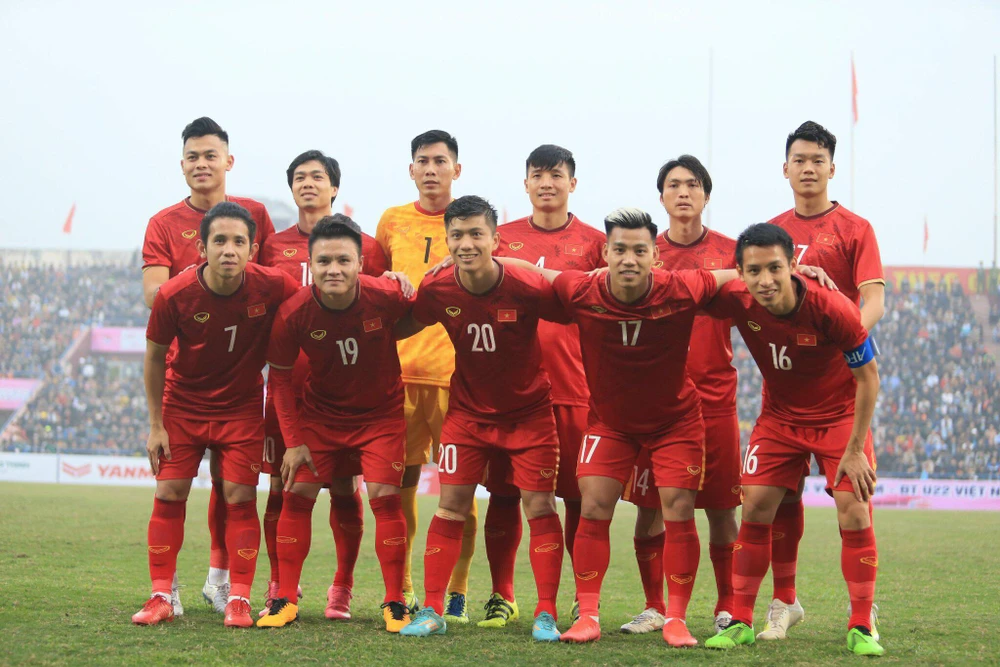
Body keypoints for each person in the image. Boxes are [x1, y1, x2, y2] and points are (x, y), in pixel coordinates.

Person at [494, 207, 740, 646]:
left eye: (640, 250)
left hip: (675, 423)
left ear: (655, 257)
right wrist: (475, 259)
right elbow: (532, 272)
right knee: (593, 506)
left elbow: (737, 275)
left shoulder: (681, 288)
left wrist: (797, 270)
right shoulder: (582, 288)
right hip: (610, 423)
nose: (629, 259)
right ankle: (588, 615)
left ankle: (676, 619)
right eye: (620, 249)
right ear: (605, 253)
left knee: (678, 511)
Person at [702, 223, 884, 657]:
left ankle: (861, 623)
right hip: (780, 418)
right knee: (755, 505)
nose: (765, 280)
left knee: (854, 510)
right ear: (741, 273)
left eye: (774, 269)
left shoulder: (832, 307)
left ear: (793, 266)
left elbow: (869, 378)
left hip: (838, 417)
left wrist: (855, 450)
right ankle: (741, 620)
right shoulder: (737, 297)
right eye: (753, 271)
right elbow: (688, 284)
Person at [399, 196, 566, 642]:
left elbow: (578, 306)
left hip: (530, 416)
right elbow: (403, 323)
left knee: (540, 507)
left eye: (476, 234)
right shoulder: (437, 287)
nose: (466, 243)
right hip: (467, 416)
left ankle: (545, 613)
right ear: (447, 240)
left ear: (496, 239)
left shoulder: (526, 283)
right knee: (450, 507)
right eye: (457, 235)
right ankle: (432, 610)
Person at [132, 202, 299, 628]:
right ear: (202, 248)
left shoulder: (273, 285)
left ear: (252, 249)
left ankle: (238, 598)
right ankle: (161, 595)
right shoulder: (174, 294)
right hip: (183, 405)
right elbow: (153, 358)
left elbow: (316, 301)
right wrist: (155, 425)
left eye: (239, 241)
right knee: (169, 492)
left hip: (241, 409)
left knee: (240, 498)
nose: (229, 249)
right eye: (219, 240)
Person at [140, 117, 275, 615]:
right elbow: (154, 296)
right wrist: (201, 288)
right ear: (182, 165)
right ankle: (164, 591)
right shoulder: (163, 223)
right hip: (186, 383)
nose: (202, 164)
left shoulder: (254, 213)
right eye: (193, 157)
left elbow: (276, 280)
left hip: (241, 388)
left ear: (228, 161)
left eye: (210, 155)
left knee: (234, 488)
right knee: (172, 488)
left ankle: (224, 583)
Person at [257, 216, 413, 632]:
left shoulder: (386, 296)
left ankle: (395, 602)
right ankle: (285, 599)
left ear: (361, 263)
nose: (334, 270)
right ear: (310, 264)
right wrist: (293, 442)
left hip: (380, 416)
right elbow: (280, 381)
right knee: (297, 492)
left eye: (344, 260)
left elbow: (428, 309)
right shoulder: (294, 313)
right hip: (321, 417)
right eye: (324, 261)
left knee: (385, 497)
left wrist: (410, 281)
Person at [764, 120, 885, 641]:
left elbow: (874, 299)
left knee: (852, 505)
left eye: (818, 160)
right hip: (785, 396)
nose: (808, 168)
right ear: (785, 168)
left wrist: (844, 332)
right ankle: (784, 603)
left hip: (839, 394)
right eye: (800, 159)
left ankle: (862, 617)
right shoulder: (770, 233)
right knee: (777, 500)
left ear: (832, 168)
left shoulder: (856, 229)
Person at [479, 144, 605, 628]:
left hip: (574, 386)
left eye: (556, 175)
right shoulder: (501, 240)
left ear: (573, 183)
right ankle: (502, 594)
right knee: (504, 494)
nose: (547, 183)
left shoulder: (595, 243)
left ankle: (581, 598)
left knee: (578, 497)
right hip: (508, 392)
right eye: (538, 174)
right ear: (526, 183)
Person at [618, 155, 741, 636]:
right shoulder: (645, 252)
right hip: (655, 404)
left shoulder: (731, 252)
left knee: (722, 508)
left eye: (693, 184)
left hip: (714, 400)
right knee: (650, 509)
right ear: (662, 197)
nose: (683, 192)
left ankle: (727, 606)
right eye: (674, 185)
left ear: (707, 195)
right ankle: (655, 607)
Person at [375, 130, 477, 620]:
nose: (431, 169)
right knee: (400, 487)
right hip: (397, 377)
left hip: (457, 380)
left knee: (460, 490)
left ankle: (458, 590)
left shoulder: (471, 223)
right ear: (411, 170)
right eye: (423, 161)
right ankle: (405, 587)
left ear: (457, 169)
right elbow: (375, 285)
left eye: (440, 161)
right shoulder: (391, 221)